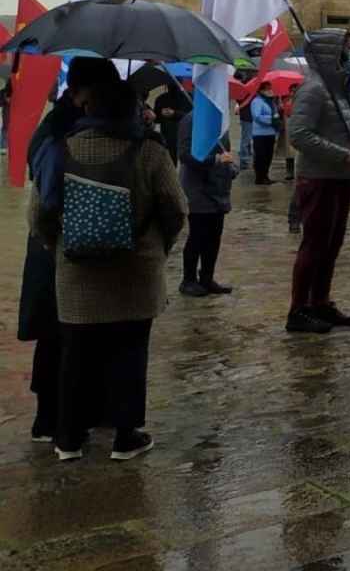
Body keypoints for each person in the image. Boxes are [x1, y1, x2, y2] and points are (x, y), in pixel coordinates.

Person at [30, 58, 186, 461]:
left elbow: (40, 214)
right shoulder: (150, 151)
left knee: (77, 353)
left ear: (89, 107)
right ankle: (125, 436)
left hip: (77, 272)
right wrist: (158, 245)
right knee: (130, 351)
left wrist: (58, 246)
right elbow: (175, 208)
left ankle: (68, 438)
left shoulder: (60, 147)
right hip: (136, 272)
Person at [287, 29, 350, 334]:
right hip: (319, 179)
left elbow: (346, 131)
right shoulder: (314, 89)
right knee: (314, 246)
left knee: (331, 246)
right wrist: (342, 156)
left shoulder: (338, 89)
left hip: (339, 181)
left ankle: (320, 302)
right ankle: (298, 310)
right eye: (347, 48)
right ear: (330, 53)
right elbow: (299, 135)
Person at [19, 86, 85, 444]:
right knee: (60, 335)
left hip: (45, 246)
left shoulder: (51, 129)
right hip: (55, 248)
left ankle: (51, 418)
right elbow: (47, 202)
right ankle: (52, 419)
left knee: (54, 335)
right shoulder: (63, 137)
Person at [176, 117, 239, 296]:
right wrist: (215, 160)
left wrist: (231, 166)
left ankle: (206, 278)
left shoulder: (221, 121)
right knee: (198, 236)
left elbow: (226, 151)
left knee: (214, 237)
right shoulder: (191, 120)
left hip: (219, 189)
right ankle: (188, 280)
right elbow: (185, 155)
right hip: (198, 190)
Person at [249, 85, 280, 185]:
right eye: (267, 89)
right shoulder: (257, 101)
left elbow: (275, 114)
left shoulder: (271, 102)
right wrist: (272, 120)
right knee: (260, 156)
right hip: (260, 134)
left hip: (270, 133)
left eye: (270, 88)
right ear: (261, 90)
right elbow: (257, 116)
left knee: (268, 156)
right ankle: (259, 178)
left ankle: (265, 176)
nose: (270, 91)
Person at [237, 93, 254, 171]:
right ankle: (244, 162)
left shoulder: (241, 90)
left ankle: (246, 160)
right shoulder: (248, 91)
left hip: (246, 116)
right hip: (248, 117)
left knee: (246, 139)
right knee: (246, 140)